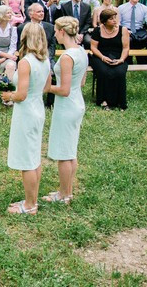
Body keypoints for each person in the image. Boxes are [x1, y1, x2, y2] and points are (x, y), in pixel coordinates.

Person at [0, 23, 50, 215]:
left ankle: (30, 205)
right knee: (34, 156)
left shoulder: (25, 62)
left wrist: (8, 96)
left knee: (27, 160)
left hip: (26, 111)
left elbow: (21, 95)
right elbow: (46, 87)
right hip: (38, 108)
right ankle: (32, 199)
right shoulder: (45, 60)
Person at [42, 17, 87, 205]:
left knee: (63, 153)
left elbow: (64, 90)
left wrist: (46, 88)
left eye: (55, 31)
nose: (54, 34)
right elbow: (82, 82)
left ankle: (63, 194)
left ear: (62, 32)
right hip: (77, 101)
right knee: (70, 151)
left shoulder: (68, 57)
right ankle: (66, 191)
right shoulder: (81, 51)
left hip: (67, 105)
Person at [90, 8, 130, 110]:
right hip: (100, 56)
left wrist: (121, 59)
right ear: (104, 21)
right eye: (111, 19)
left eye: (115, 18)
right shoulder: (97, 30)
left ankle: (120, 101)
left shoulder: (123, 30)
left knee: (120, 72)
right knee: (103, 72)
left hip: (118, 56)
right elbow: (93, 47)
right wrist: (103, 57)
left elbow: (126, 48)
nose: (114, 20)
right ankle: (103, 100)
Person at [117, 0, 147, 64]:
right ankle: (127, 60)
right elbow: (117, 23)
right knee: (128, 40)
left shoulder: (144, 8)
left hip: (139, 31)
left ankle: (145, 62)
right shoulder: (121, 8)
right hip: (125, 30)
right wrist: (124, 31)